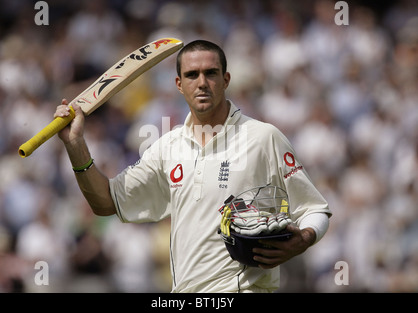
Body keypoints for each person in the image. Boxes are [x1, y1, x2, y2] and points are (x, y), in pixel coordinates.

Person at [54, 40, 331, 293]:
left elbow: (314, 208)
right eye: (192, 75)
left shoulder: (263, 137)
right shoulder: (167, 146)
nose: (202, 83)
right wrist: (75, 144)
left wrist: (304, 238)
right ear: (178, 84)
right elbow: (106, 202)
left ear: (226, 80)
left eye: (210, 73)